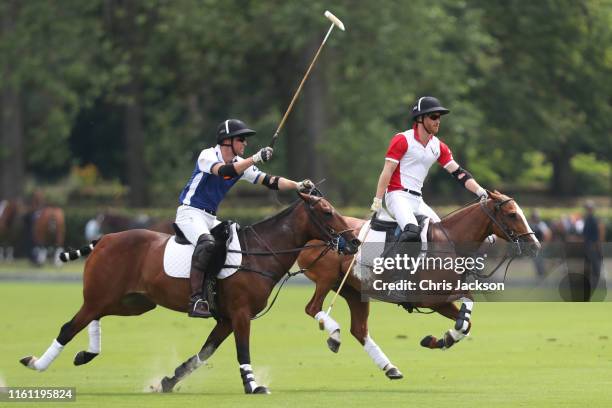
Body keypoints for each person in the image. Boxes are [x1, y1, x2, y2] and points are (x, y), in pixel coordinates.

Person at [177, 118, 314, 318]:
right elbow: (224, 172)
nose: (245, 143)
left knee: (236, 241)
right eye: (241, 139)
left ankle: (218, 292)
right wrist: (255, 158)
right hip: (189, 213)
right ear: (227, 141)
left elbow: (270, 181)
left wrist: (297, 185)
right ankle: (196, 299)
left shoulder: (240, 164)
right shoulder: (207, 155)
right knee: (207, 243)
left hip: (210, 217)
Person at [370, 96, 488, 243]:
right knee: (412, 231)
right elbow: (387, 171)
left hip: (417, 199)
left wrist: (480, 190)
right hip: (396, 196)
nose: (438, 121)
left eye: (439, 117)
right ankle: (388, 264)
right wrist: (377, 200)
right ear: (420, 118)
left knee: (444, 236)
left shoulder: (438, 146)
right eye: (433, 116)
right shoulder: (402, 139)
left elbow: (459, 173)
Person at [582, 200, 605, 294]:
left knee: (592, 270)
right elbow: (600, 233)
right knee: (595, 271)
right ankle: (592, 290)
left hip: (590, 247)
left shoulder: (589, 219)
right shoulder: (592, 219)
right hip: (592, 247)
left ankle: (590, 289)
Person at [529, 209, 551, 278]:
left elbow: (547, 234)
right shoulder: (530, 224)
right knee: (536, 262)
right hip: (533, 247)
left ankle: (542, 275)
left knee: (541, 261)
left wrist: (544, 244)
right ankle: (539, 275)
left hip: (541, 246)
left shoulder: (541, 224)